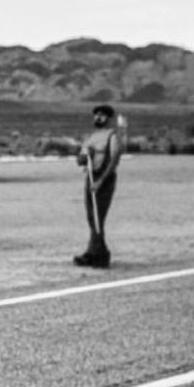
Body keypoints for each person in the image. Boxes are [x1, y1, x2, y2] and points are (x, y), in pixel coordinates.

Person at [75, 104, 122, 267]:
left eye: (101, 115)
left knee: (98, 217)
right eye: (96, 115)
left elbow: (115, 158)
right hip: (90, 177)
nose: (97, 118)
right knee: (91, 217)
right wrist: (82, 158)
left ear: (109, 118)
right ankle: (94, 252)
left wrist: (101, 180)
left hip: (104, 179)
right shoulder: (92, 137)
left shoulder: (113, 136)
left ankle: (100, 255)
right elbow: (81, 157)